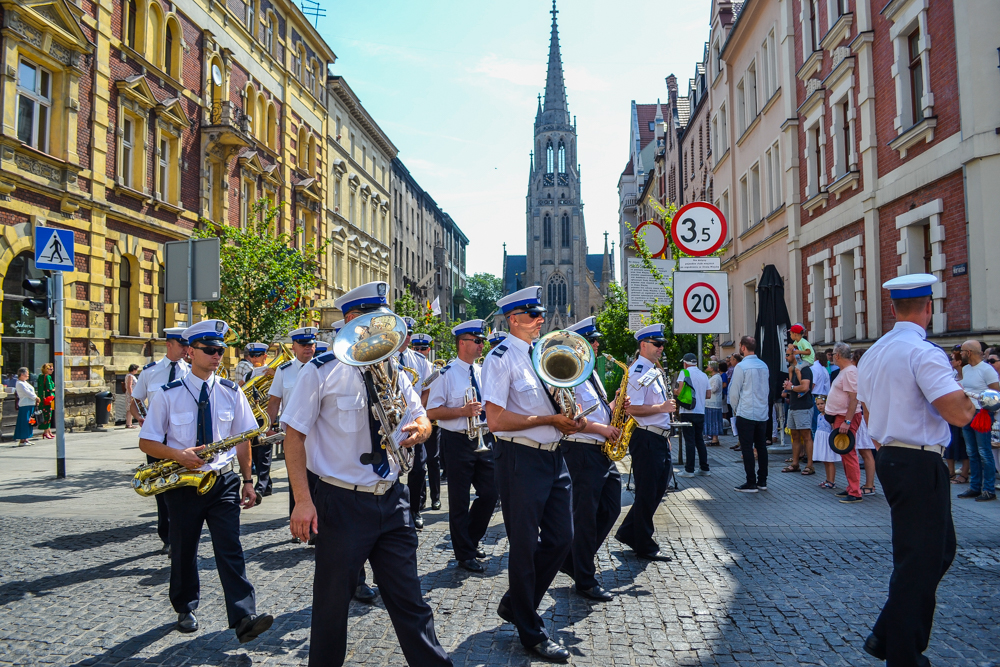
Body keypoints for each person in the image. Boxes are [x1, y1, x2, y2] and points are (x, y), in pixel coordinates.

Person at [281, 281, 451, 667]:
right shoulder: (320, 370)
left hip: (392, 499)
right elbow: (293, 438)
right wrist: (303, 501)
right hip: (341, 502)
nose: (384, 328)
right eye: (376, 319)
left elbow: (420, 416)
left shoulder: (395, 369)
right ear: (353, 321)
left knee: (410, 600)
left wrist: (421, 430)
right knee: (331, 606)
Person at [856, 274, 976, 666]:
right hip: (919, 459)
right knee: (920, 560)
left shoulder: (875, 351)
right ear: (929, 308)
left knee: (937, 552)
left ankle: (885, 635)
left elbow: (869, 411)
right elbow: (957, 413)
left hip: (892, 454)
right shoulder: (923, 352)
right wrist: (977, 403)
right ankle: (903, 654)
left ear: (893, 309)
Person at [138, 319, 273, 642]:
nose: (217, 356)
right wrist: (179, 455)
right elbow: (147, 442)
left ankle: (244, 616)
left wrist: (248, 480)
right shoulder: (167, 395)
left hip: (223, 481)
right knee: (184, 549)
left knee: (231, 547)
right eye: (210, 350)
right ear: (190, 352)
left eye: (220, 350)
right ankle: (185, 606)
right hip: (184, 483)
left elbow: (242, 439)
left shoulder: (231, 391)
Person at [482, 285, 584, 663]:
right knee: (524, 547)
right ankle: (530, 629)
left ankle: (515, 603)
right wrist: (548, 419)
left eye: (541, 315)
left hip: (554, 457)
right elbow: (495, 420)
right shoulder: (501, 356)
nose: (541, 320)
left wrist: (572, 419)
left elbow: (555, 400)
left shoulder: (542, 353)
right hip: (520, 460)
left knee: (561, 539)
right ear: (513, 319)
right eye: (532, 315)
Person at [558, 316, 623, 602]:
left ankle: (572, 559)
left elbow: (596, 411)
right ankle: (584, 577)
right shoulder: (567, 372)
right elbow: (571, 419)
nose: (597, 344)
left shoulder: (591, 372)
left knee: (610, 507)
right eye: (592, 340)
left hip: (599, 451)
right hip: (580, 450)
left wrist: (617, 403)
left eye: (596, 340)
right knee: (584, 518)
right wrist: (603, 428)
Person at [425, 320, 498, 573]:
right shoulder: (445, 374)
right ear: (462, 343)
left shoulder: (482, 371)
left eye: (482, 342)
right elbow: (431, 411)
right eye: (477, 341)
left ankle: (470, 538)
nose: (481, 346)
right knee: (458, 501)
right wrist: (461, 411)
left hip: (483, 438)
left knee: (491, 493)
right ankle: (464, 554)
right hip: (456, 441)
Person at [615, 323, 678, 561]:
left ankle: (628, 531)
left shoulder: (654, 369)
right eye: (657, 344)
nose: (661, 348)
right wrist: (662, 408)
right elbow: (633, 409)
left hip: (659, 437)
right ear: (644, 345)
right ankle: (643, 543)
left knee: (657, 489)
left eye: (662, 344)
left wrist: (666, 434)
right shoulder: (639, 370)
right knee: (647, 492)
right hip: (646, 437)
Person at [131, 327, 191, 555]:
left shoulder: (191, 371)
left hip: (184, 440)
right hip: (158, 441)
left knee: (183, 487)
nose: (187, 349)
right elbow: (136, 401)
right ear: (169, 344)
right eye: (182, 345)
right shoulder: (150, 371)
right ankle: (167, 536)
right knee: (161, 489)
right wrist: (140, 418)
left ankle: (182, 534)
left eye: (188, 345)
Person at [269, 328, 317, 510]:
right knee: (296, 478)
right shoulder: (284, 370)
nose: (308, 348)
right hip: (294, 433)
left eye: (311, 344)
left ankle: (320, 525)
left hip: (318, 431)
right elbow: (274, 401)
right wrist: (269, 426)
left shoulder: (323, 368)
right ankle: (296, 521)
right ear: (293, 347)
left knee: (321, 478)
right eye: (303, 345)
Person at [400, 329, 435, 528]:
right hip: (392, 420)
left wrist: (416, 413)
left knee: (419, 467)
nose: (406, 338)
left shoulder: (420, 360)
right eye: (403, 334)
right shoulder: (387, 357)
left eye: (408, 334)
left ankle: (415, 509)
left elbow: (427, 388)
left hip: (414, 419)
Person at [957, 339, 1000, 502]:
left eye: (962, 351)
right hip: (968, 412)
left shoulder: (987, 370)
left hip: (982, 414)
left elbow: (996, 394)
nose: (960, 354)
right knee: (972, 452)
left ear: (969, 353)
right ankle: (975, 487)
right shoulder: (966, 369)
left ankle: (988, 489)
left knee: (984, 452)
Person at [729, 336, 770, 492]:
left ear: (742, 347)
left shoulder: (742, 367)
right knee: (761, 448)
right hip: (762, 412)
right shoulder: (764, 365)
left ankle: (751, 482)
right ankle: (762, 481)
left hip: (746, 411)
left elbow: (734, 391)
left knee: (747, 448)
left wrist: (736, 408)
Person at [825, 342, 863, 504]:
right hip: (840, 416)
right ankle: (851, 487)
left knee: (849, 453)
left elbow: (854, 399)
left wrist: (847, 421)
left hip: (846, 417)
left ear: (838, 355)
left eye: (833, 354)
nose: (832, 357)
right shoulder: (845, 371)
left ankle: (855, 491)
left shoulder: (850, 372)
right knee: (845, 453)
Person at [675, 353, 710, 478]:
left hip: (687, 412)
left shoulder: (684, 372)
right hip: (700, 411)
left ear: (685, 363)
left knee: (689, 441)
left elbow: (679, 391)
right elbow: (708, 395)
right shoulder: (704, 375)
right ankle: (704, 468)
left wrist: (674, 391)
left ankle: (689, 470)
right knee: (699, 440)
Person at [781, 344, 814, 475]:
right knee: (794, 435)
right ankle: (795, 463)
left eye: (788, 354)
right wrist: (787, 389)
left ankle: (810, 465)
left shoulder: (804, 369)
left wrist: (791, 388)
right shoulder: (793, 369)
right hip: (793, 406)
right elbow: (793, 387)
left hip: (803, 407)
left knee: (806, 436)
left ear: (795, 355)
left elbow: (805, 387)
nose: (786, 357)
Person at [945, 350, 969, 484]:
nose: (950, 362)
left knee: (963, 444)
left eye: (953, 360)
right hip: (951, 411)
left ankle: (964, 473)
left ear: (959, 362)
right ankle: (950, 472)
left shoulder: (968, 375)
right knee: (950, 442)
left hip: (963, 412)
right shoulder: (951, 374)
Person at [13, 367, 37, 446]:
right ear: (22, 374)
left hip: (30, 404)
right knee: (25, 421)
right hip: (25, 404)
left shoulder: (25, 382)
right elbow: (27, 392)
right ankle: (22, 440)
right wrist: (36, 397)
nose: (28, 376)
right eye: (27, 374)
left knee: (30, 421)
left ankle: (26, 438)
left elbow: (31, 390)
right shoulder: (19, 383)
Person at [809, 354, 831, 438]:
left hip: (817, 395)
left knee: (815, 422)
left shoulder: (815, 368)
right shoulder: (823, 369)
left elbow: (813, 384)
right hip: (823, 395)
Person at [705, 361, 724, 446]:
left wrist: (706, 389)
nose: (707, 368)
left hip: (713, 403)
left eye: (708, 366)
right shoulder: (714, 377)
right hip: (710, 403)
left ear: (712, 368)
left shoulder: (716, 377)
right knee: (711, 421)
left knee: (713, 421)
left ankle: (715, 439)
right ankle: (713, 438)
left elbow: (714, 388)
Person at [35, 363, 54, 439]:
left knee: (46, 414)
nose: (52, 370)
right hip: (49, 399)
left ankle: (48, 431)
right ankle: (46, 432)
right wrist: (56, 389)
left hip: (42, 399)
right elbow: (49, 388)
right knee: (48, 415)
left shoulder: (40, 376)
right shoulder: (48, 377)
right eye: (51, 369)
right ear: (46, 370)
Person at [124, 364, 140, 429]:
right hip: (130, 394)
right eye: (136, 370)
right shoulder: (130, 376)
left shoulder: (129, 375)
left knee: (130, 409)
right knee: (130, 409)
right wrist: (131, 395)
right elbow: (129, 386)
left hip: (131, 393)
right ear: (133, 370)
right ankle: (128, 424)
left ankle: (130, 423)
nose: (136, 371)